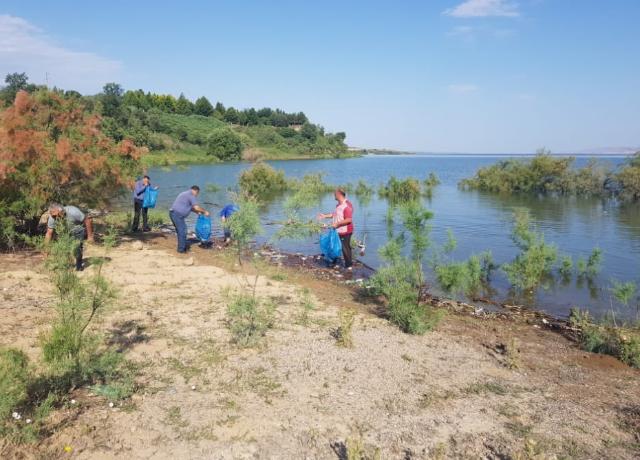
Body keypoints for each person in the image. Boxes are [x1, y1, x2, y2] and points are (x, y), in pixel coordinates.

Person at [45, 203, 94, 271]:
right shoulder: (52, 217)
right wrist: (46, 249)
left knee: (77, 249)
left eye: (55, 216)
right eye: (53, 216)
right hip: (65, 231)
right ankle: (66, 266)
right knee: (63, 248)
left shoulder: (73, 211)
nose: (54, 218)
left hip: (78, 230)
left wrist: (90, 236)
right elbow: (49, 233)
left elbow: (87, 220)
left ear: (61, 211)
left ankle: (78, 266)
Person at [317, 189, 354, 270]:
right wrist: (325, 216)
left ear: (339, 194)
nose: (334, 195)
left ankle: (349, 266)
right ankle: (333, 262)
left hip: (345, 231)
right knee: (333, 246)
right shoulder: (338, 205)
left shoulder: (347, 205)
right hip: (337, 230)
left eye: (335, 194)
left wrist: (337, 224)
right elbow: (335, 214)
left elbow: (348, 220)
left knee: (345, 248)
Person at [169, 185, 209, 253]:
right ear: (196, 191)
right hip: (177, 215)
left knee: (180, 231)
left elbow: (190, 207)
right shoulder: (191, 195)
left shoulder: (186, 194)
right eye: (197, 193)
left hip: (174, 213)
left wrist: (197, 212)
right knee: (183, 231)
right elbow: (196, 207)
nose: (197, 195)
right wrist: (205, 211)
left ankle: (181, 248)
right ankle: (181, 250)